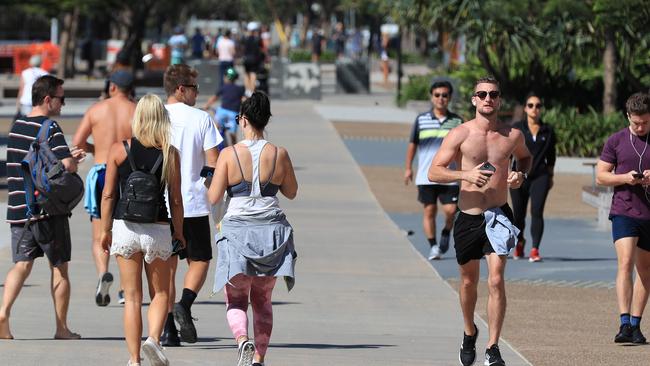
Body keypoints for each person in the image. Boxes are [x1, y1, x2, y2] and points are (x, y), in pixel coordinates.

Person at [428, 76, 531, 366]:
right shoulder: (460, 134)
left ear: (500, 100)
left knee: (496, 279)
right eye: (482, 94)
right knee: (468, 282)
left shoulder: (513, 135)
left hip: (498, 215)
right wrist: (465, 175)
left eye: (493, 94)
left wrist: (519, 175)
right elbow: (435, 172)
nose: (488, 99)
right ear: (474, 99)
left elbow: (525, 159)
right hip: (468, 217)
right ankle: (469, 330)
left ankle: (493, 347)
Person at [207, 91, 298, 366]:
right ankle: (258, 358)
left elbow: (213, 197)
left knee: (236, 299)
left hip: (236, 230)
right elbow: (291, 192)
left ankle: (241, 340)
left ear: (243, 120)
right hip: (271, 233)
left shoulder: (229, 154)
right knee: (262, 299)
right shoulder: (279, 153)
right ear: (266, 120)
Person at [100, 94, 184, 366]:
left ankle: (134, 360)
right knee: (160, 293)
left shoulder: (118, 149)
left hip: (125, 227)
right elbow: (176, 199)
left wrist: (104, 230)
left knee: (133, 297)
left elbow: (109, 195)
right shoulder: (170, 153)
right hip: (158, 228)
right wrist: (179, 232)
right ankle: (154, 340)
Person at [1, 75, 84, 340]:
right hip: (47, 210)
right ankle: (61, 328)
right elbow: (67, 166)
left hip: (18, 209)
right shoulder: (50, 128)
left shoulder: (16, 127)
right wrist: (73, 159)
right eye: (61, 98)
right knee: (59, 268)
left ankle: (3, 313)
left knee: (21, 265)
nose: (63, 104)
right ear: (47, 99)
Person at [162, 64, 222, 346]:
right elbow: (213, 164)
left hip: (161, 204)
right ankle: (184, 305)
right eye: (195, 88)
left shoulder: (154, 117)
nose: (199, 93)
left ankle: (167, 330)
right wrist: (218, 200)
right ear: (180, 89)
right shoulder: (202, 119)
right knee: (199, 260)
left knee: (166, 267)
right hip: (193, 203)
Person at [72, 70, 136, 306]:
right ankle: (123, 289)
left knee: (100, 232)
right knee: (126, 231)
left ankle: (102, 274)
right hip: (127, 174)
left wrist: (94, 148)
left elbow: (78, 141)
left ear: (111, 87)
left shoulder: (96, 110)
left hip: (100, 172)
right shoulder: (136, 110)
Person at [596, 92, 650, 345]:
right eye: (636, 123)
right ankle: (624, 321)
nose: (640, 127)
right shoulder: (616, 140)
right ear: (628, 116)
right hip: (624, 210)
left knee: (645, 270)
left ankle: (637, 325)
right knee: (625, 262)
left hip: (649, 213)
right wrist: (625, 178)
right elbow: (601, 176)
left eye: (646, 123)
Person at [404, 80, 463, 260]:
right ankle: (434, 246)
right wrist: (408, 168)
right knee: (429, 211)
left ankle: (446, 231)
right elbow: (412, 144)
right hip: (426, 176)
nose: (441, 99)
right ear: (432, 97)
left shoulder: (457, 121)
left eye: (445, 95)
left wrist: (463, 172)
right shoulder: (421, 120)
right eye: (437, 95)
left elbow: (463, 149)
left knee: (451, 210)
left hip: (449, 176)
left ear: (450, 98)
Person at [510, 93, 557, 262]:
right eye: (530, 105)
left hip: (540, 176)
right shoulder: (516, 128)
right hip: (518, 176)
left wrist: (550, 175)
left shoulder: (548, 130)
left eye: (538, 106)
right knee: (518, 215)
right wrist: (509, 172)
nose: (534, 109)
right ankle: (520, 241)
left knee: (537, 212)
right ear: (525, 108)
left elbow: (551, 155)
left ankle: (535, 249)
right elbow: (508, 151)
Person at [203, 67, 246, 146]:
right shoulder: (240, 89)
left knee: (216, 128)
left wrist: (206, 106)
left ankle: (213, 144)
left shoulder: (223, 87)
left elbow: (214, 98)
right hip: (234, 113)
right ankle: (234, 149)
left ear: (226, 77)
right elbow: (244, 99)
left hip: (222, 111)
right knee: (233, 134)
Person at [242, 24, 264, 95]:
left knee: (246, 74)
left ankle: (247, 90)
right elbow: (261, 49)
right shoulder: (258, 39)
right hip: (254, 59)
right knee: (253, 74)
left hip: (246, 59)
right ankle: (252, 91)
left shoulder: (245, 39)